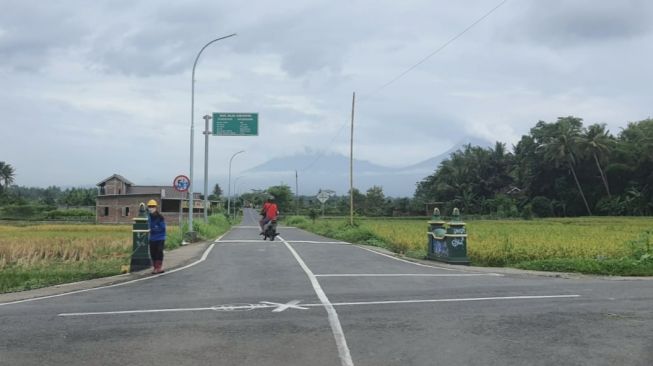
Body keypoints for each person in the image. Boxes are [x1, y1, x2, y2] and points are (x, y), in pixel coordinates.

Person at [147, 199, 166, 274]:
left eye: (152, 206)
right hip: (152, 238)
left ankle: (159, 267)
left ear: (155, 207)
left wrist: (153, 229)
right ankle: (155, 268)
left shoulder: (160, 217)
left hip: (160, 238)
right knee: (153, 253)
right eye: (149, 206)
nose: (151, 208)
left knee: (159, 252)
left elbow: (162, 228)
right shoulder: (149, 217)